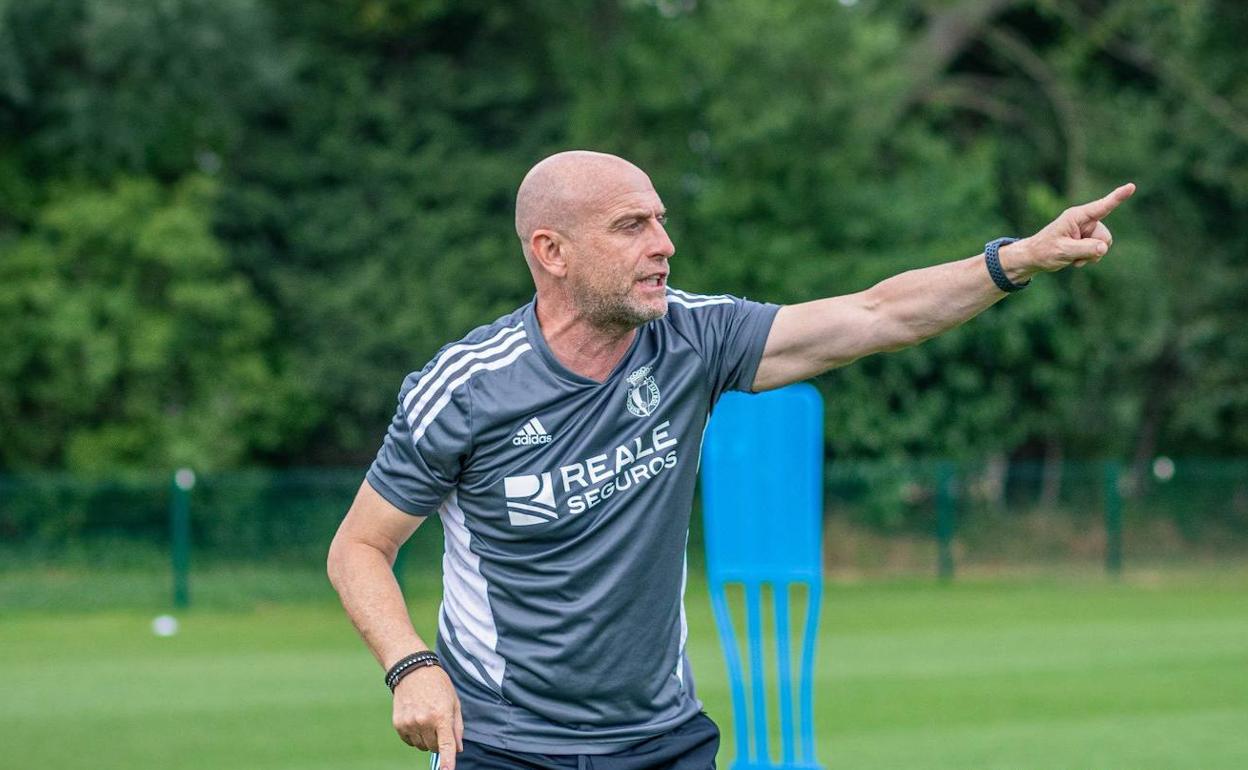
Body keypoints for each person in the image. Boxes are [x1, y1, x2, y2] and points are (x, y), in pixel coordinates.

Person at [327, 150, 1134, 769]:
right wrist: (411, 667)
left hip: (661, 737)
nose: (664, 245)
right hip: (503, 741)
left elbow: (875, 315)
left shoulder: (693, 337)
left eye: (660, 220)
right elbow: (360, 547)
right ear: (553, 251)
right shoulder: (465, 388)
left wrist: (1017, 259)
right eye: (631, 226)